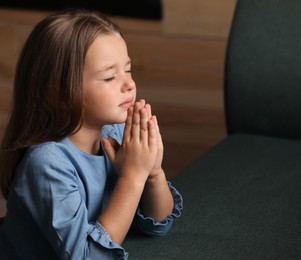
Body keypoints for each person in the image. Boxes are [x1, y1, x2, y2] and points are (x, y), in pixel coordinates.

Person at [0, 8, 183, 259]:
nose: (129, 84)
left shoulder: (116, 132)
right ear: (60, 95)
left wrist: (152, 173)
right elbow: (88, 256)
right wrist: (133, 176)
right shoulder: (48, 163)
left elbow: (157, 223)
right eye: (109, 77)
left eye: (128, 69)